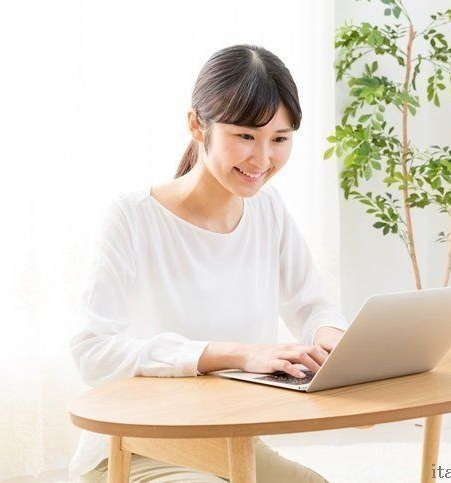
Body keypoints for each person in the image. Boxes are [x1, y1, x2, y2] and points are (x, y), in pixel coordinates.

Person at [69, 44, 350, 482]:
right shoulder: (132, 216)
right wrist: (231, 354)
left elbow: (310, 305)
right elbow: (93, 352)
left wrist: (330, 336)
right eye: (245, 136)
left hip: (229, 442)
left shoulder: (268, 210)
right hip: (137, 449)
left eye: (279, 139)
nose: (262, 160)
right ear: (197, 125)